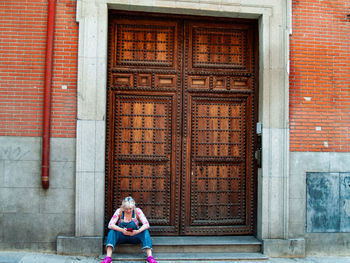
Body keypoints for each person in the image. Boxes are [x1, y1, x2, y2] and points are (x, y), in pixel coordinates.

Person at [101, 196, 158, 263]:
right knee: (112, 231)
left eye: (130, 209)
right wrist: (121, 230)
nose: (128, 211)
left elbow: (146, 224)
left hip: (134, 236)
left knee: (145, 231)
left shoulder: (137, 211)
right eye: (126, 209)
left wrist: (137, 231)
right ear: (123, 207)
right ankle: (108, 258)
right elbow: (110, 225)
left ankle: (150, 257)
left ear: (133, 207)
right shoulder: (119, 211)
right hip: (122, 236)